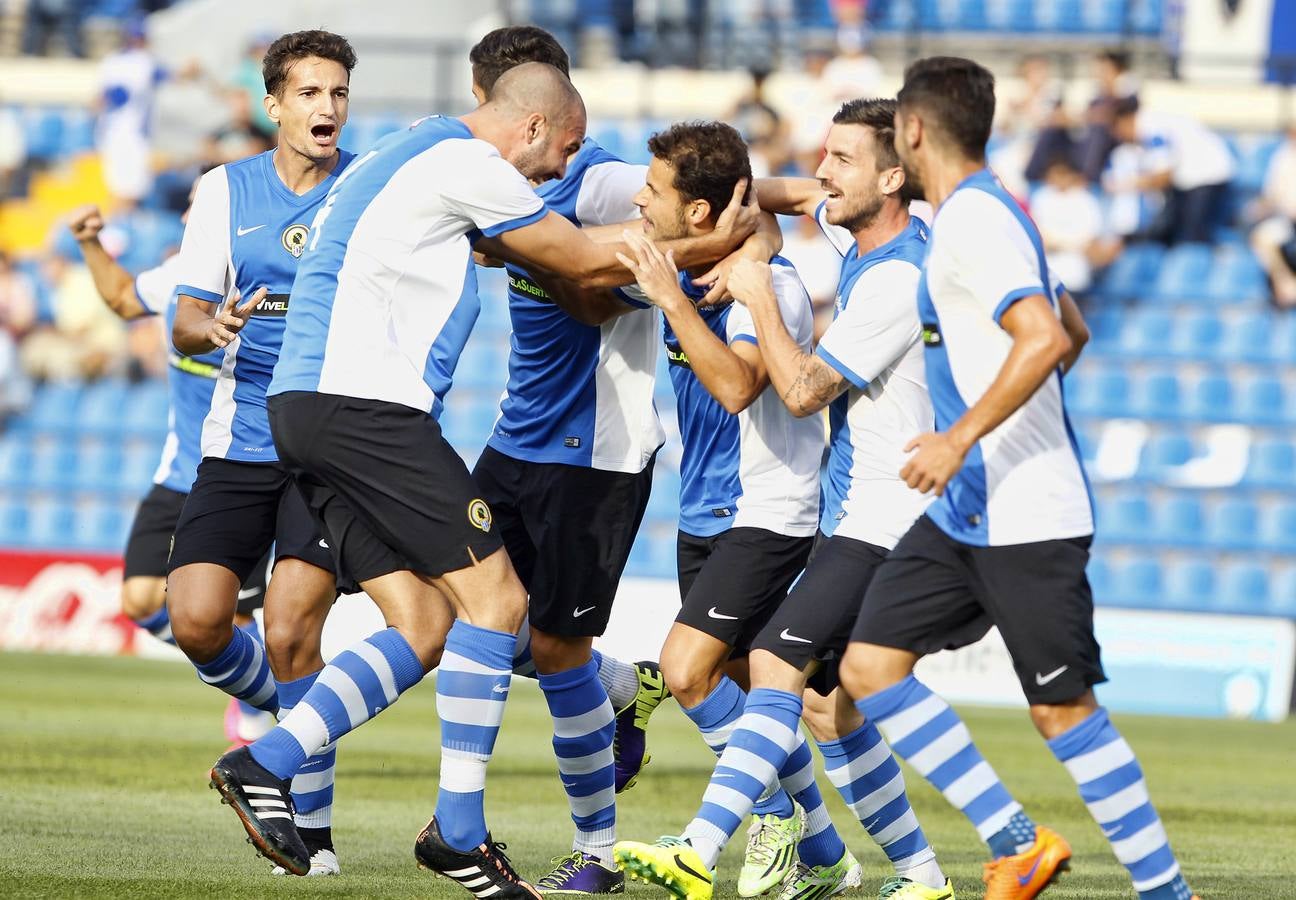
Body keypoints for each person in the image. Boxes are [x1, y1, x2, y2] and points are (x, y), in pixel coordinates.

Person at [213, 61, 759, 899]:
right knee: (500, 606)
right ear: (532, 126)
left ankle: (272, 762)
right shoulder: (470, 165)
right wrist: (728, 239)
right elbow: (579, 256)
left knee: (433, 620)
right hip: (367, 409)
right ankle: (457, 831)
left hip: (307, 407)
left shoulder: (405, 151)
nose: (557, 174)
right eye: (561, 150)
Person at [842, 56, 1196, 900]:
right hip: (969, 514)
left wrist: (962, 437)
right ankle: (1021, 841)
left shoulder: (973, 222)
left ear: (915, 131)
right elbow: (1070, 328)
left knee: (1061, 712)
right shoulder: (997, 210)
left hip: (1025, 514)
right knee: (868, 668)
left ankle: (1166, 892)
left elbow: (1041, 336)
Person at [611, 102, 956, 900]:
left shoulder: (889, 274)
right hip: (774, 511)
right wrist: (738, 207)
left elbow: (778, 391)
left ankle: (708, 842)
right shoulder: (855, 237)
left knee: (722, 670)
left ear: (894, 176)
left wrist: (744, 276)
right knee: (829, 709)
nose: (820, 175)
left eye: (839, 159)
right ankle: (890, 868)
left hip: (816, 512)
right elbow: (793, 200)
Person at [465, 26, 672, 894]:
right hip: (514, 439)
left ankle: (597, 855)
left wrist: (768, 196)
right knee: (447, 607)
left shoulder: (604, 177)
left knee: (554, 652)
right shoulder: (487, 180)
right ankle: (620, 683)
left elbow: (687, 198)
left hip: (597, 458)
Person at [165, 29, 361, 878]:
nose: (326, 108)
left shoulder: (366, 186)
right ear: (273, 105)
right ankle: (288, 718)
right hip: (239, 439)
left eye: (338, 93)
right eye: (309, 94)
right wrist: (214, 325)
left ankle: (308, 834)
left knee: (290, 631)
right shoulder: (225, 190)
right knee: (198, 621)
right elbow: (182, 317)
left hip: (325, 443)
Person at [67, 194, 275, 750]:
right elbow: (118, 296)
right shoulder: (176, 277)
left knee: (235, 614)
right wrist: (88, 241)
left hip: (237, 467)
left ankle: (260, 728)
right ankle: (253, 680)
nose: (188, 216)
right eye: (187, 206)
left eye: (199, 207)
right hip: (179, 472)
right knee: (139, 599)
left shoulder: (266, 282)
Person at [1109, 97, 1235, 245]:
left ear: (1125, 120)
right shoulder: (1153, 121)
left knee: (1193, 238)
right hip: (1196, 178)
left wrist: (1126, 185)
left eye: (1118, 130)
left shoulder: (1150, 126)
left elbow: (1164, 176)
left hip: (1206, 175)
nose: (1119, 136)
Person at [1032, 156, 1105, 294]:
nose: (1058, 179)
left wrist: (1058, 242)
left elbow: (1090, 242)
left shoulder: (1086, 200)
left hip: (1076, 275)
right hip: (1045, 276)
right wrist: (1072, 243)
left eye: (1062, 174)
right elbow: (1041, 238)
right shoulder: (1041, 198)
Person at [1249, 126, 1296, 307]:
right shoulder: (1282, 157)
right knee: (1264, 237)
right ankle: (1284, 286)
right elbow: (1272, 194)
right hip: (1286, 218)